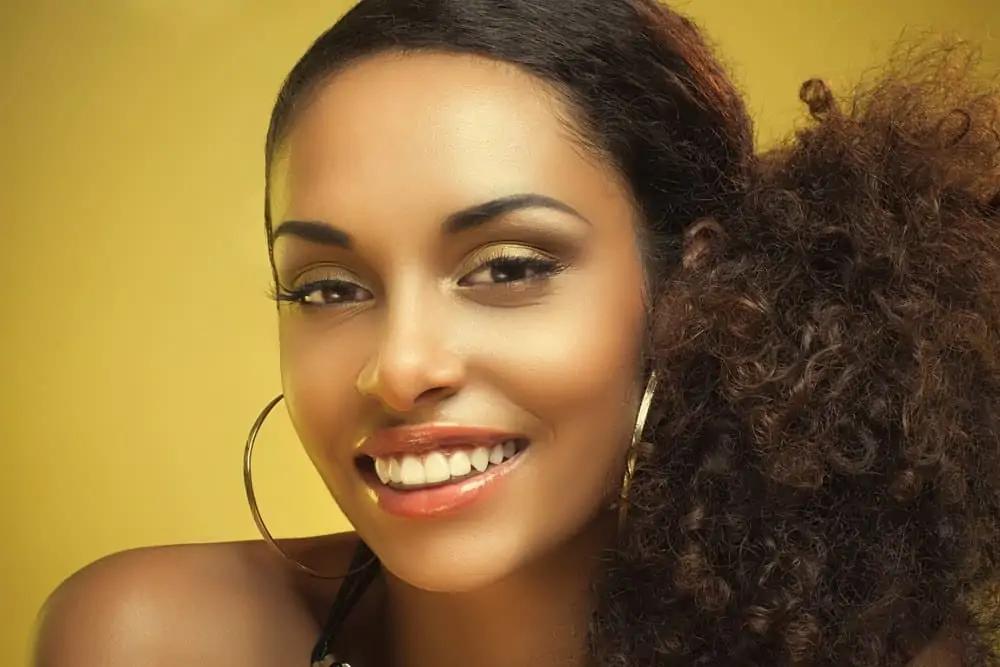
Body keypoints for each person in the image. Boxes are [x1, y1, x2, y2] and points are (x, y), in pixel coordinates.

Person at [32, 1, 1000, 665]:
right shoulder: (154, 637)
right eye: (328, 287)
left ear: (690, 290)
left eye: (506, 268)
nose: (398, 366)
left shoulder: (875, 654)